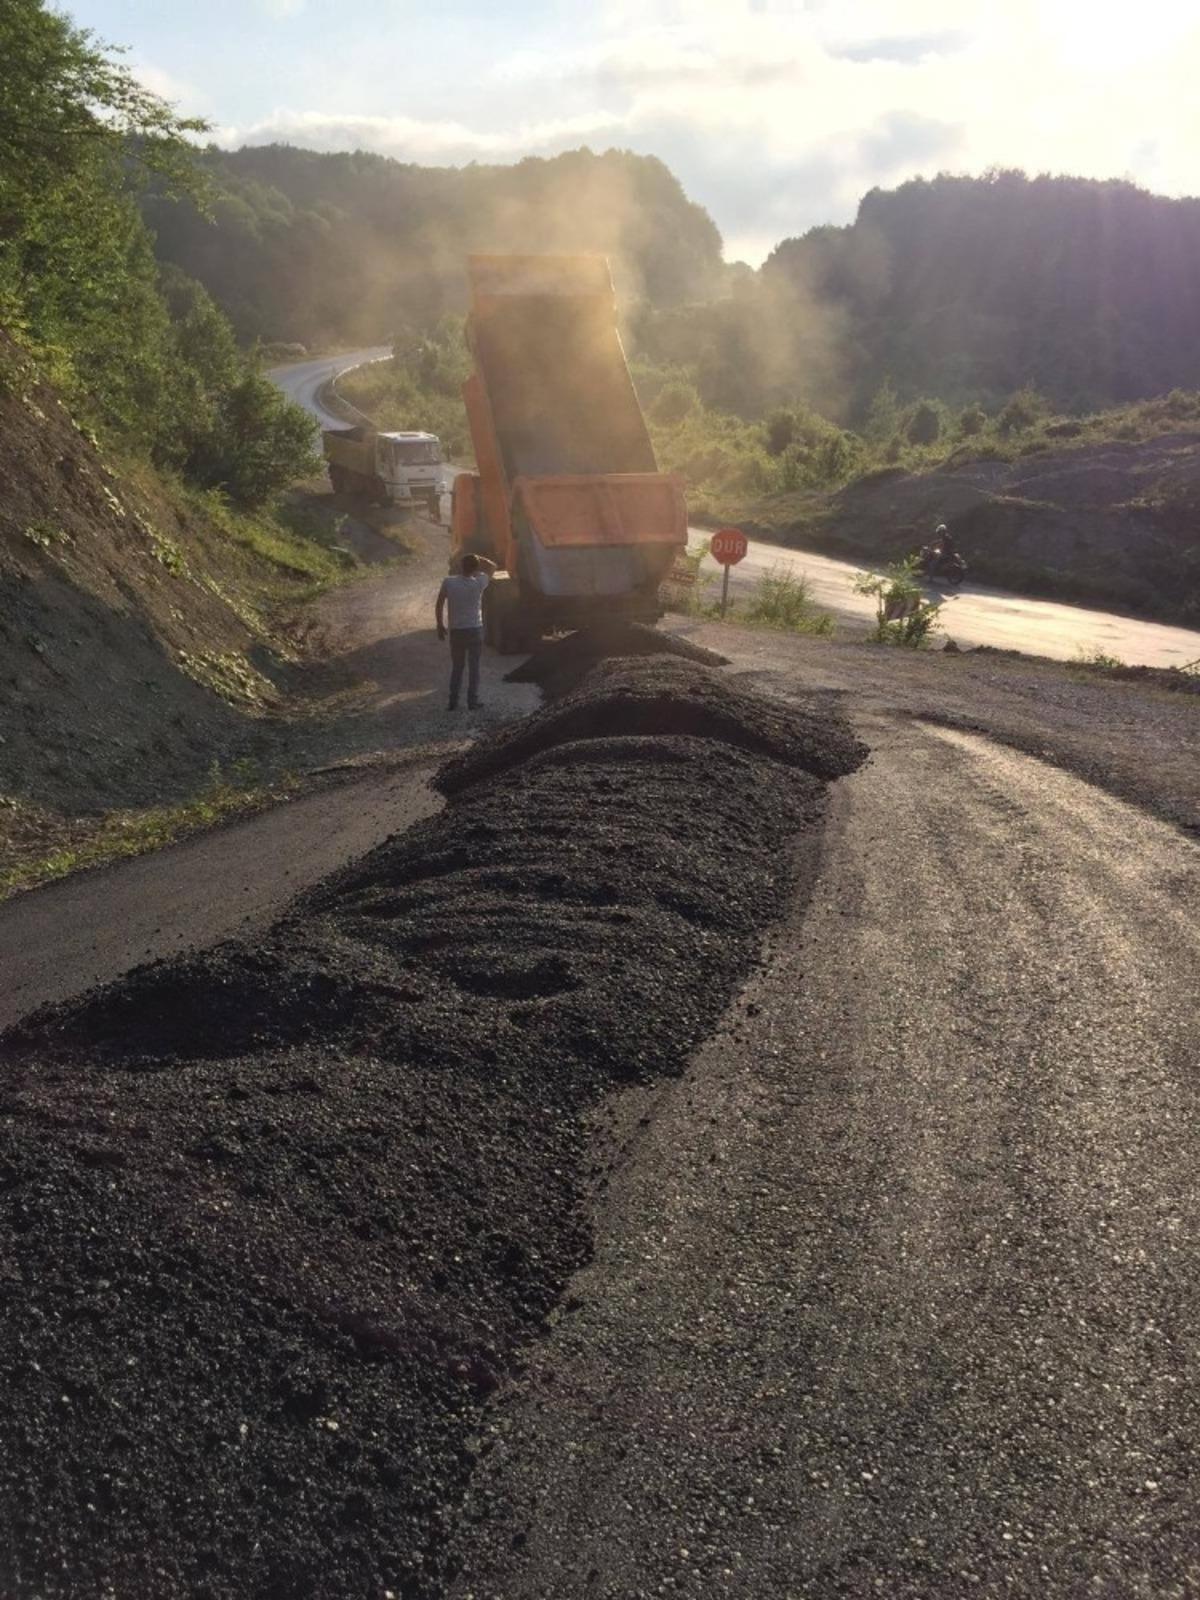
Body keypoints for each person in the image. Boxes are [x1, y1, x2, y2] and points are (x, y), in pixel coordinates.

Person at [436, 553, 495, 710]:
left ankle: (453, 702)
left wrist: (440, 624)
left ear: (460, 566)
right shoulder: (479, 583)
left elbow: (439, 603)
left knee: (457, 667)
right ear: (475, 568)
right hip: (475, 629)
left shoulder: (449, 582)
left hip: (457, 631)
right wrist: (479, 558)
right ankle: (472, 701)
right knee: (474, 667)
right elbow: (492, 565)